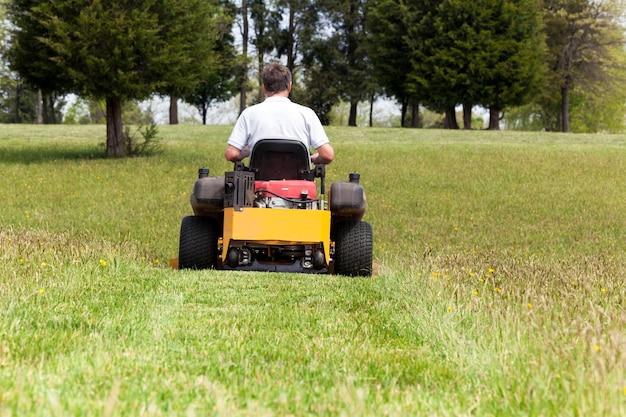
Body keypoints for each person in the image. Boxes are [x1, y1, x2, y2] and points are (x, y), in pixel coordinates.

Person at [224, 63, 334, 165]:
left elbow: (231, 154)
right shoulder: (307, 114)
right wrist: (313, 159)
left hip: (259, 182)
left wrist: (246, 152)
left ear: (264, 88)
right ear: (289, 86)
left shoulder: (249, 114)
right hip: (298, 182)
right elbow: (328, 155)